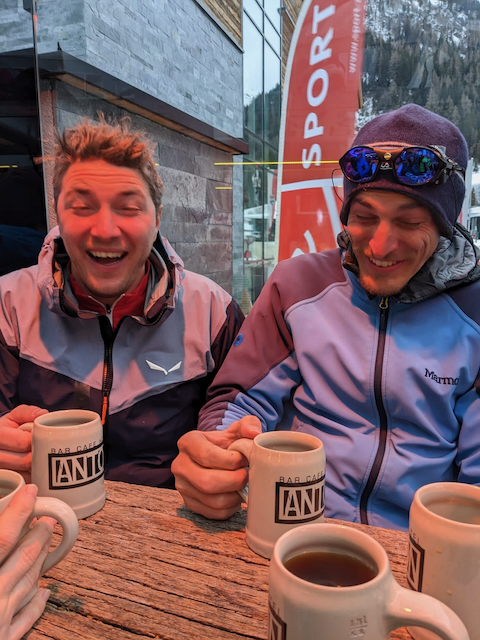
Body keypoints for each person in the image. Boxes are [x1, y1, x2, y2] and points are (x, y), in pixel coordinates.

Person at [172, 104, 480, 531]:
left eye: (409, 222)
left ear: (448, 225)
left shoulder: (473, 312)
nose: (380, 246)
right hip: (296, 529)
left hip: (419, 543)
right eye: (364, 217)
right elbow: (238, 400)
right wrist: (216, 456)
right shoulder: (296, 285)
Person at [0, 116, 243, 487]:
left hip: (169, 512)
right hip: (44, 507)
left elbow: (233, 407)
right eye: (81, 207)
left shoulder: (212, 311)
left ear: (157, 219)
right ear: (58, 215)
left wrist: (217, 459)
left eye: (129, 208)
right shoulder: (9, 306)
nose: (105, 230)